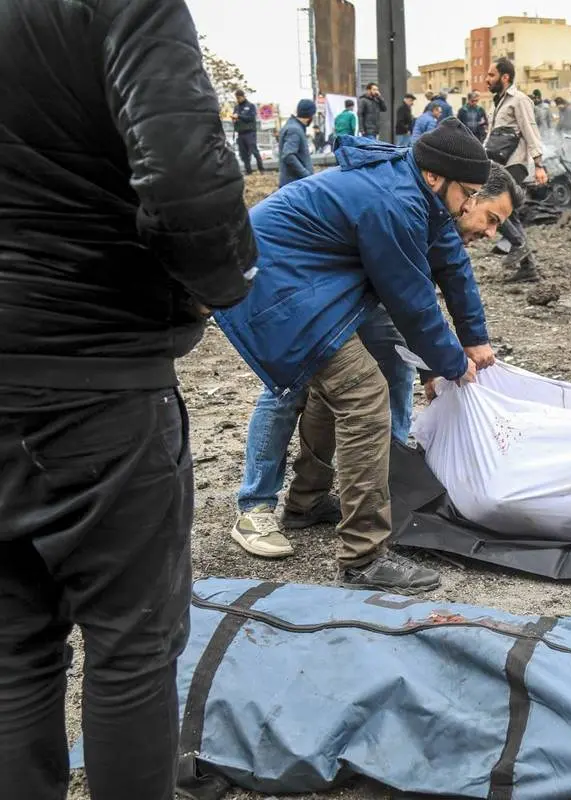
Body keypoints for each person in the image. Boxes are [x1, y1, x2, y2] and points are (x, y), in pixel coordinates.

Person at [0, 0, 257, 798]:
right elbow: (185, 175)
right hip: (95, 370)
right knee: (131, 646)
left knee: (12, 646)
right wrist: (219, 283)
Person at [215, 121, 521, 592]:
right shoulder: (394, 201)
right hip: (278, 285)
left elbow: (451, 264)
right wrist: (449, 363)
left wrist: (472, 339)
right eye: (471, 197)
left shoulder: (422, 192)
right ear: (437, 177)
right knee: (360, 395)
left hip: (321, 284)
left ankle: (306, 503)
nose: (470, 208)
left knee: (341, 388)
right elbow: (411, 300)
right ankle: (362, 557)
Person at [485, 57, 549, 282]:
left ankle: (518, 243)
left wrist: (539, 165)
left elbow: (531, 131)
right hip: (499, 165)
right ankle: (528, 268)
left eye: (491, 75)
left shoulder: (519, 100)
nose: (487, 79)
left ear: (505, 77)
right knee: (509, 213)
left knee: (490, 206)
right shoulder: (497, 102)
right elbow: (492, 138)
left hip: (515, 165)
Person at [278, 98, 316, 187]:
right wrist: (306, 175)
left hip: (293, 183)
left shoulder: (291, 125)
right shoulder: (295, 130)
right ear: (310, 115)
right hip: (295, 184)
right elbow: (288, 155)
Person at [233, 88, 265, 173]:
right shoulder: (236, 107)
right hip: (240, 133)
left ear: (243, 96)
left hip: (250, 132)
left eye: (239, 98)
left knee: (254, 151)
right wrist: (234, 119)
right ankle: (248, 171)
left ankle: (261, 169)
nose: (238, 100)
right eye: (236, 98)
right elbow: (235, 117)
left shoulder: (250, 106)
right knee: (243, 154)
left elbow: (251, 118)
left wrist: (239, 116)